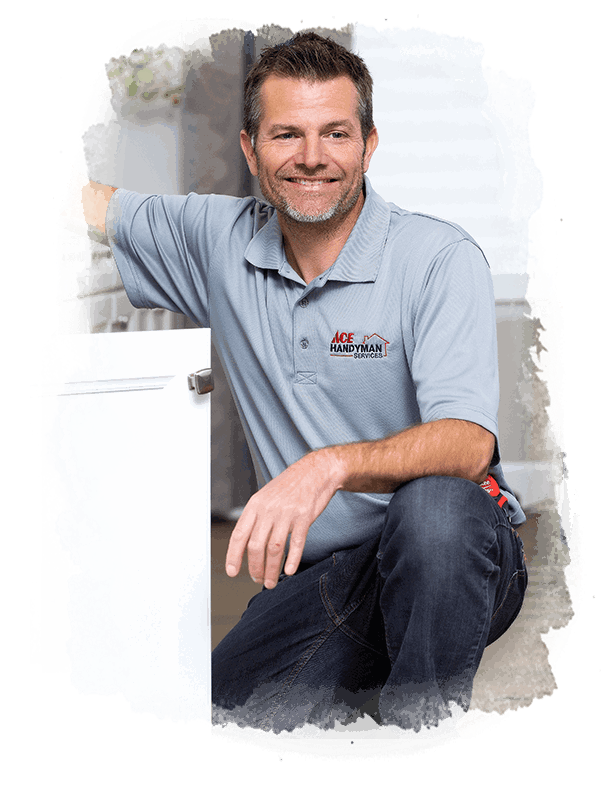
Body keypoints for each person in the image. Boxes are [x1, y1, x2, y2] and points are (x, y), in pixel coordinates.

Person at [57, 32, 528, 746]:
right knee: (215, 728)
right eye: (287, 134)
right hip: (324, 585)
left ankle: (416, 736)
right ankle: (370, 723)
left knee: (434, 510)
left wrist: (327, 465)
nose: (312, 157)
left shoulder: (436, 257)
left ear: (368, 144)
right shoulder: (214, 241)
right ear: (251, 150)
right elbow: (79, 200)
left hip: (454, 559)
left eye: (335, 132)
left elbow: (466, 444)